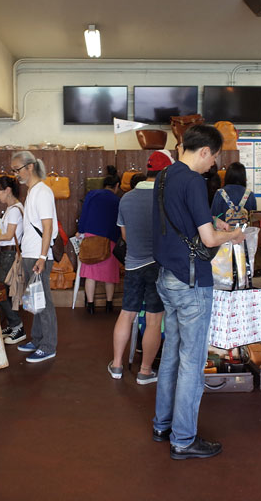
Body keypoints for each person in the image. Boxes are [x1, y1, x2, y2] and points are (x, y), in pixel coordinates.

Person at [152, 125, 245, 460]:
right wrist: (232, 236)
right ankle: (184, 438)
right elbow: (207, 241)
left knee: (172, 354)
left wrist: (214, 223)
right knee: (192, 362)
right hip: (192, 283)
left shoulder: (164, 177)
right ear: (204, 151)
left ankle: (163, 425)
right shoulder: (193, 180)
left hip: (167, 277)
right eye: (214, 156)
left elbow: (182, 221)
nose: (214, 164)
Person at [108, 151, 173, 384]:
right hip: (158, 266)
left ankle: (116, 365)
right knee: (154, 319)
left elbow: (124, 235)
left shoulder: (126, 198)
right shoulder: (167, 198)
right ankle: (145, 371)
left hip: (133, 265)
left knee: (127, 314)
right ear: (165, 172)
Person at [11, 151, 59, 363]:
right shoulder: (32, 191)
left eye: (17, 170)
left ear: (30, 167)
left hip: (39, 255)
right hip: (31, 253)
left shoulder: (42, 192)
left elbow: (47, 227)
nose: (16, 175)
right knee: (35, 301)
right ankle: (38, 339)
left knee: (44, 302)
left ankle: (48, 346)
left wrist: (42, 256)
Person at [76, 166, 121, 314]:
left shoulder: (92, 195)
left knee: (91, 274)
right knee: (109, 275)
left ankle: (90, 306)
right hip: (110, 239)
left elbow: (84, 214)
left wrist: (81, 231)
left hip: (91, 237)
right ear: (117, 186)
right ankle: (109, 305)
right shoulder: (118, 200)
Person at [0, 175, 25, 344]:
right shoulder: (14, 209)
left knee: (3, 292)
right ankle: (13, 324)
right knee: (6, 291)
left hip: (9, 254)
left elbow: (9, 235)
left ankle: (17, 326)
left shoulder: (14, 210)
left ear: (8, 190)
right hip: (7, 253)